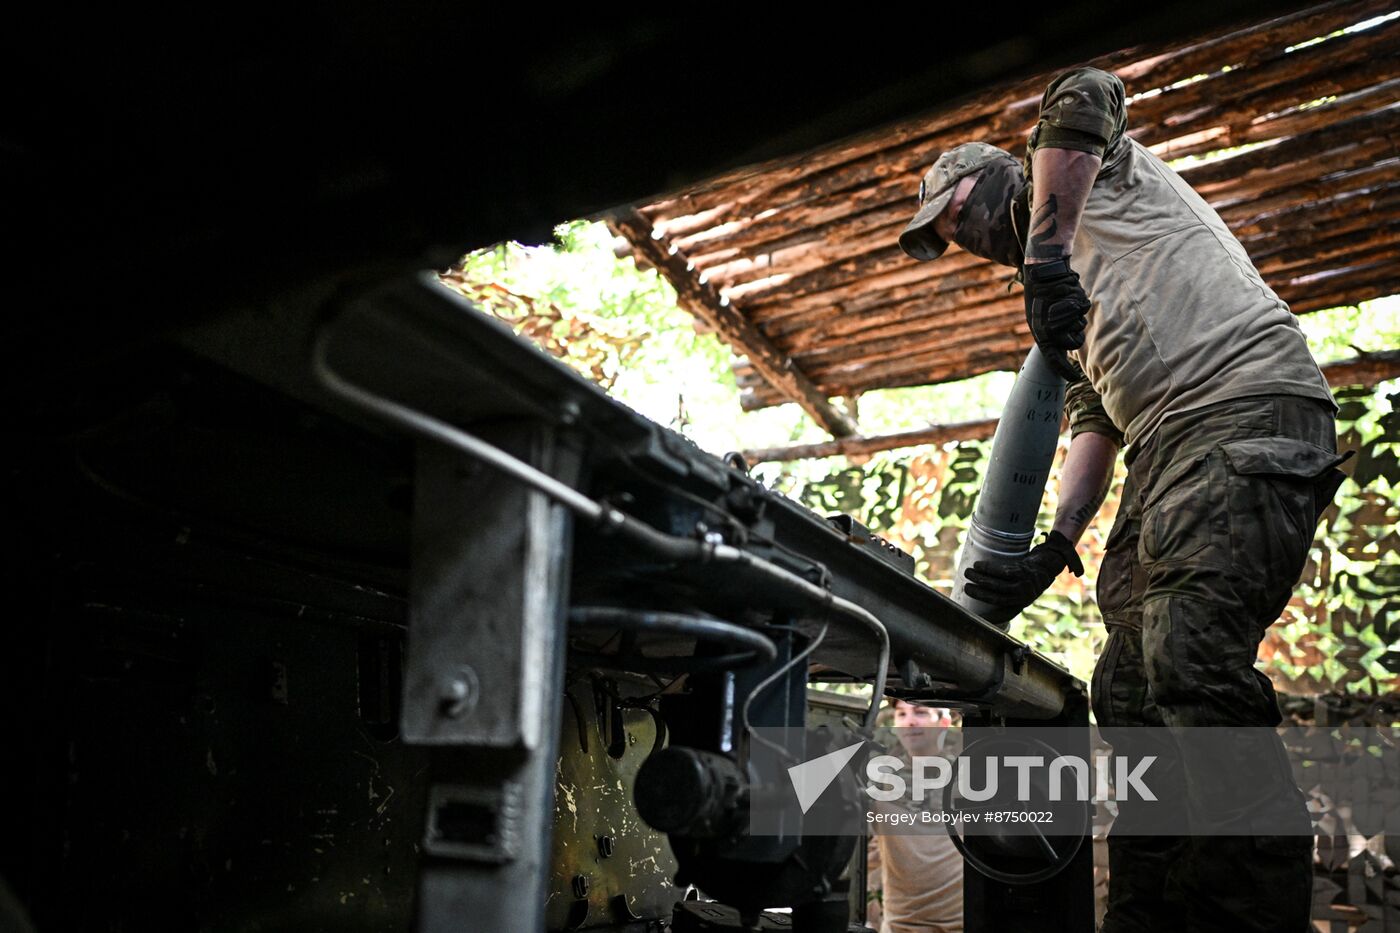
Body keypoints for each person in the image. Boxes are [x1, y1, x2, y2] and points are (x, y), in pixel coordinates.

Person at [898, 67, 1351, 932]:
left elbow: (1086, 89)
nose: (960, 235)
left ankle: (1249, 907)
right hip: (1167, 444)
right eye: (947, 235)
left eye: (956, 211)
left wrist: (1041, 253)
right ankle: (1150, 910)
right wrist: (1057, 537)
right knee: (1131, 685)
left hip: (1245, 402)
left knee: (1189, 655)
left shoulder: (1085, 173)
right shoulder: (1063, 308)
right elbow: (1094, 422)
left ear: (1000, 174)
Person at [866, 700, 964, 933]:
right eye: (901, 713)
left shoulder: (968, 779)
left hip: (960, 924)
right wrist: (870, 910)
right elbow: (869, 855)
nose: (909, 721)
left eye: (920, 712)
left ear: (944, 723)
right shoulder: (881, 783)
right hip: (899, 925)